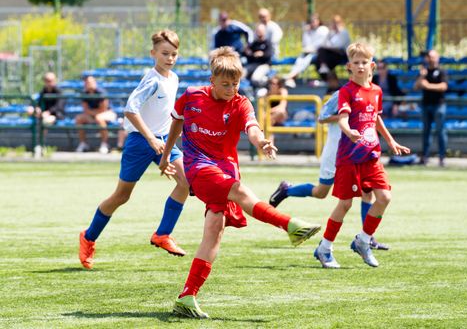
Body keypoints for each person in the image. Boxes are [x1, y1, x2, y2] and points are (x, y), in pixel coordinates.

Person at [158, 46, 320, 319]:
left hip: (226, 170)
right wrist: (165, 157)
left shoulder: (241, 103)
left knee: (214, 232)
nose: (231, 89)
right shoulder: (191, 96)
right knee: (239, 191)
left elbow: (252, 128)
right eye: (225, 84)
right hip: (199, 168)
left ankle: (187, 297)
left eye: (235, 84)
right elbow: (175, 124)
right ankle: (289, 225)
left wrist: (261, 142)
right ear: (212, 80)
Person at [78, 30, 189, 270]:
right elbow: (130, 110)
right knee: (122, 196)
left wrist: (168, 141)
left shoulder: (174, 78)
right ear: (153, 53)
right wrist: (150, 139)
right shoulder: (152, 80)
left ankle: (162, 234)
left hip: (163, 141)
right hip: (140, 141)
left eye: (174, 54)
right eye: (165, 53)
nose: (170, 58)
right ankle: (88, 236)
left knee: (186, 182)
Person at [314, 42, 410, 269]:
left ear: (372, 65)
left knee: (384, 197)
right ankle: (325, 248)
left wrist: (390, 141)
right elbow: (343, 118)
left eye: (364, 62)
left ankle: (363, 241)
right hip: (349, 157)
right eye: (355, 62)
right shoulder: (346, 92)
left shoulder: (376, 91)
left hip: (371, 155)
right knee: (345, 204)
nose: (360, 66)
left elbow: (376, 117)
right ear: (349, 66)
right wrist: (348, 131)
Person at [268, 89, 389, 267]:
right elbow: (322, 117)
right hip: (336, 152)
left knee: (368, 193)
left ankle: (367, 238)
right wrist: (348, 118)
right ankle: (287, 190)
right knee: (321, 192)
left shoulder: (371, 92)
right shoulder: (342, 94)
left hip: (359, 153)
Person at [414, 49, 448, 167]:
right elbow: (416, 87)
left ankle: (442, 157)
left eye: (433, 57)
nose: (431, 59)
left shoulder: (442, 71)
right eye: (429, 57)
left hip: (439, 105)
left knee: (441, 132)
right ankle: (425, 157)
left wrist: (428, 86)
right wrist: (421, 76)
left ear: (437, 58)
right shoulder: (424, 71)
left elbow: (443, 86)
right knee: (426, 132)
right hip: (426, 105)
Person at [74, 75, 117, 154]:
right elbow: (85, 109)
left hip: (108, 113)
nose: (89, 84)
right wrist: (92, 115)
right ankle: (83, 143)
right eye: (87, 82)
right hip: (92, 115)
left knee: (99, 118)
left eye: (91, 82)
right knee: (79, 118)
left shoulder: (101, 92)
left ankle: (104, 144)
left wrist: (92, 115)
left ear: (95, 82)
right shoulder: (84, 93)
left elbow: (103, 109)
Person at [284, 13, 329, 88]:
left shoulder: (323, 29)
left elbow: (320, 45)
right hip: (308, 52)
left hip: (320, 53)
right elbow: (305, 44)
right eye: (311, 21)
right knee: (299, 60)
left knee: (306, 60)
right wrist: (306, 32)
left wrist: (311, 49)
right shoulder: (309, 31)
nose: (312, 23)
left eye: (314, 21)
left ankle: (290, 77)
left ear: (319, 21)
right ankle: (291, 78)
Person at [316, 15, 351, 93]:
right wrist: (330, 33)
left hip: (342, 55)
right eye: (333, 23)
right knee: (320, 54)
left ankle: (331, 81)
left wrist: (328, 46)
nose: (335, 25)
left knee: (323, 55)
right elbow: (324, 43)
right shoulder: (331, 33)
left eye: (337, 23)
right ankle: (332, 82)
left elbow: (339, 46)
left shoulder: (344, 32)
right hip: (331, 54)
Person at [243, 23, 273, 88]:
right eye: (258, 31)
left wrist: (262, 54)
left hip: (264, 65)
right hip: (253, 64)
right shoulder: (254, 43)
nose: (259, 33)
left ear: (264, 32)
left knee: (255, 79)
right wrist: (246, 52)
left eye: (260, 31)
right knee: (239, 75)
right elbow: (248, 55)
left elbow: (269, 55)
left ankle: (265, 86)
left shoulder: (268, 43)